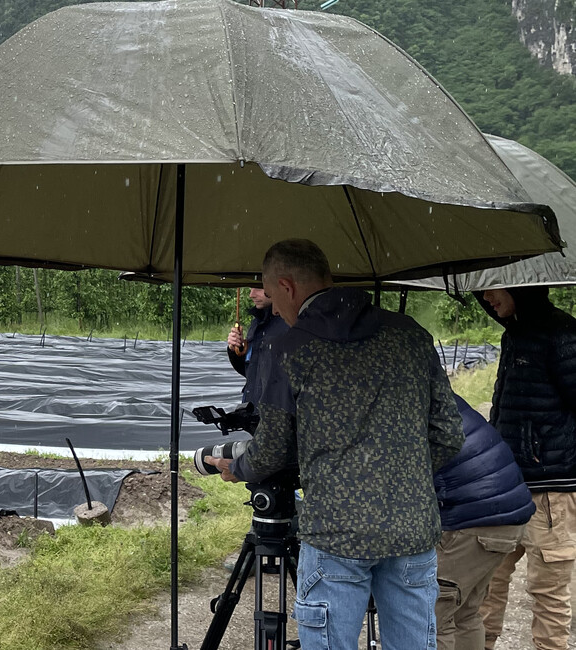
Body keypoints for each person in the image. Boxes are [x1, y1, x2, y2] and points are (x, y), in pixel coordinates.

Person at [206, 239, 463, 650]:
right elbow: (449, 434)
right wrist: (399, 476)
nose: (273, 309)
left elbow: (272, 448)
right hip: (411, 527)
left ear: (287, 287)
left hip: (335, 533)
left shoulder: (292, 349)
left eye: (272, 297)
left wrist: (238, 468)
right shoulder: (410, 334)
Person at [473, 286, 576, 650]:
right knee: (485, 585)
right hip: (505, 484)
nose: (484, 296)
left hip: (551, 491)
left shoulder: (562, 335)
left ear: (520, 286)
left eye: (491, 286)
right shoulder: (514, 333)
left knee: (549, 594)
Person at [434, 394, 534, 650]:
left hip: (472, 520)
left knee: (435, 619)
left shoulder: (398, 405)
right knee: (465, 613)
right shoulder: (434, 392)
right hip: (507, 515)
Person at [226, 287, 288, 405]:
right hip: (253, 410)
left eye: (258, 288)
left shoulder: (290, 324)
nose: (251, 294)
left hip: (275, 413)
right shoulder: (257, 323)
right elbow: (251, 371)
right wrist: (235, 350)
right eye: (250, 288)